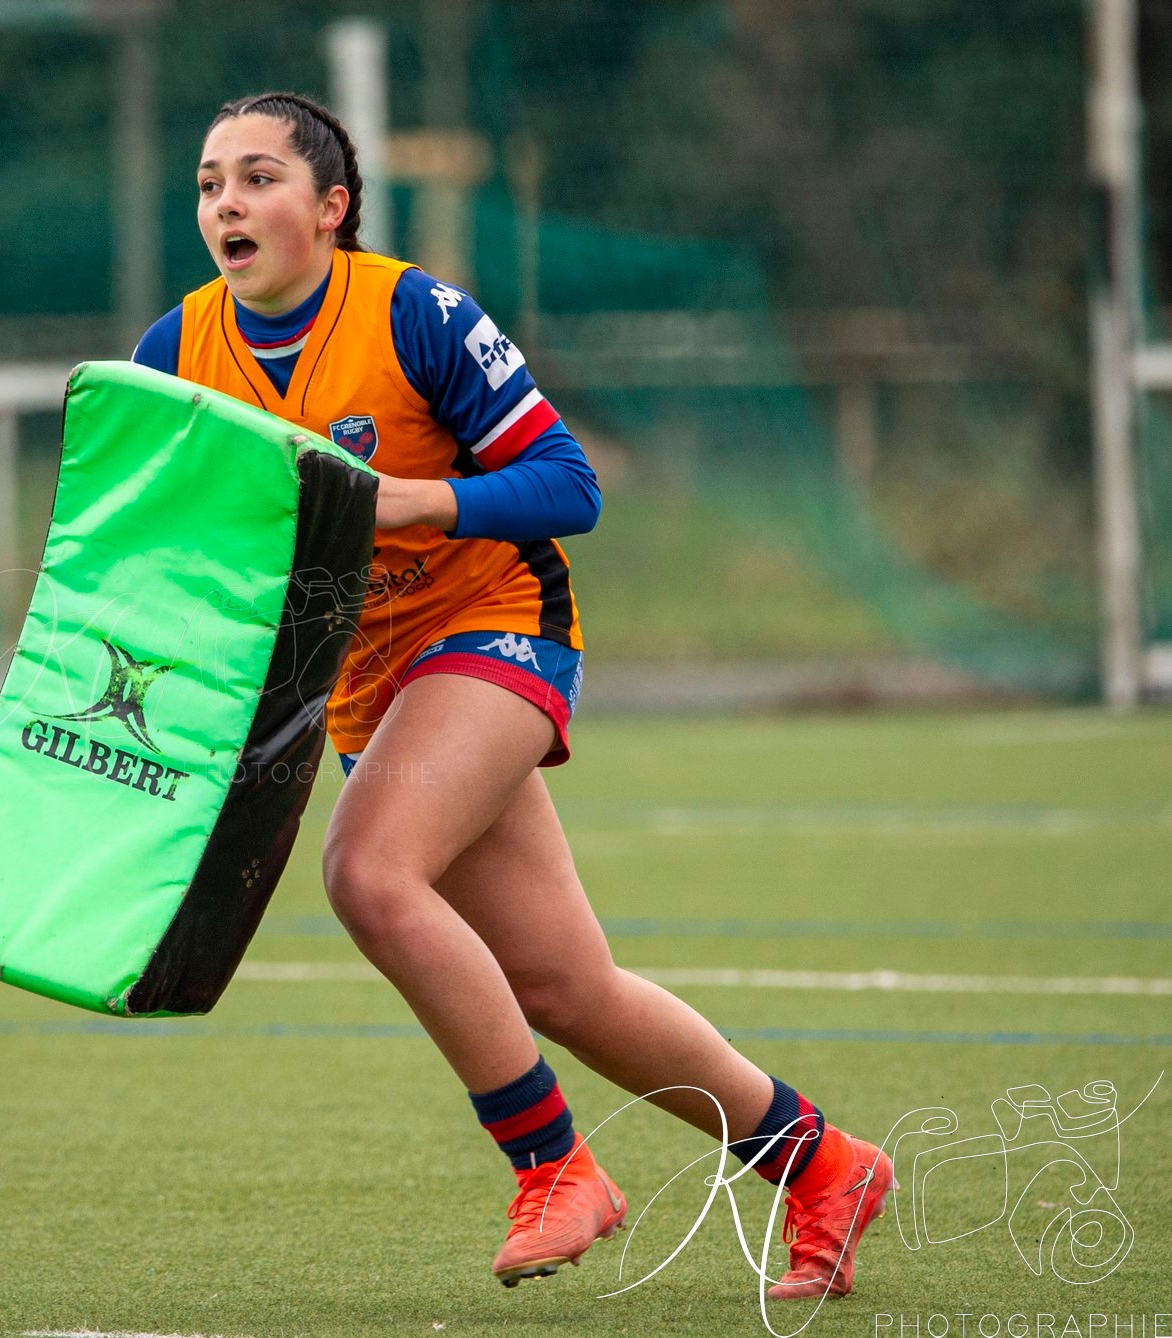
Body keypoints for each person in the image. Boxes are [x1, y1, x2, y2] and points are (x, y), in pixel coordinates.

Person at [130, 90, 893, 1301]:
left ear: (330, 209)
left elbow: (570, 482)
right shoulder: (174, 357)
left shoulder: (415, 312)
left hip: (497, 629)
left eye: (260, 177)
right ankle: (823, 1166)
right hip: (365, 689)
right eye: (211, 182)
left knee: (369, 874)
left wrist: (417, 500)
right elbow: (170, 555)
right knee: (567, 989)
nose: (228, 201)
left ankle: (554, 1168)